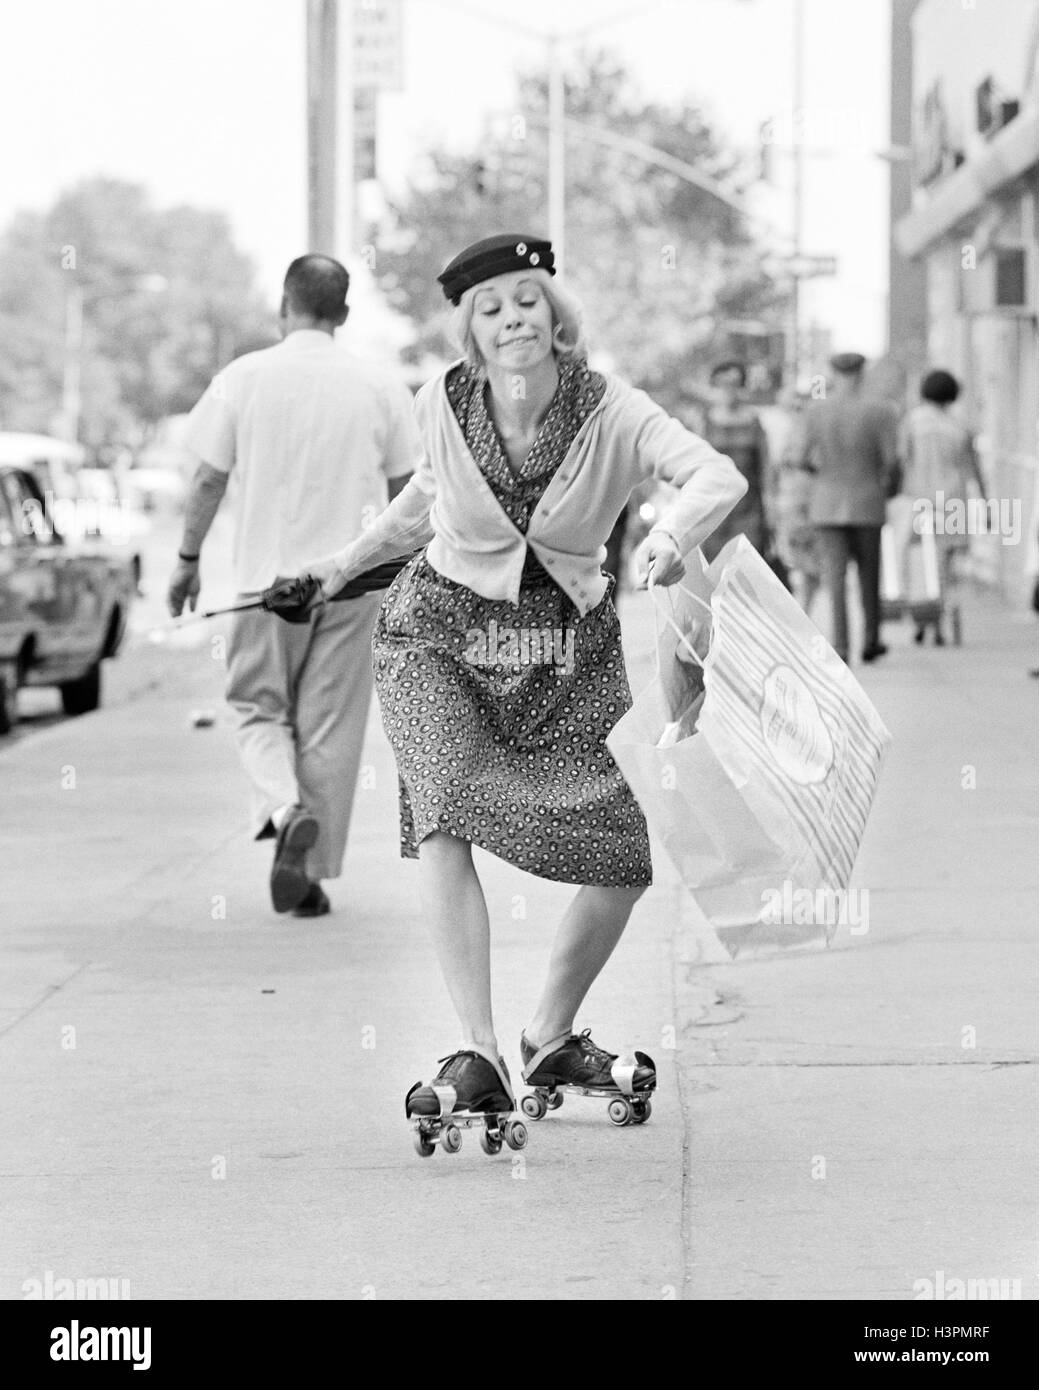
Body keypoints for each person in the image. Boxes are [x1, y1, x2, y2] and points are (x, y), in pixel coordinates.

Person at [298, 233, 747, 1140]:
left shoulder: (613, 409)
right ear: (470, 326)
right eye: (490, 308)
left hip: (562, 648)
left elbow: (715, 474)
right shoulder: (441, 401)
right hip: (438, 632)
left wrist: (664, 539)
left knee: (620, 849)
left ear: (554, 313)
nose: (510, 321)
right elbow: (422, 501)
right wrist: (338, 566)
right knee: (444, 808)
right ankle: (477, 1052)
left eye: (524, 300)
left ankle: (545, 1036)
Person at [167, 255, 420, 917]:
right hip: (352, 584)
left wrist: (188, 559)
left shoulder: (242, 377)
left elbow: (207, 480)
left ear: (286, 304)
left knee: (257, 710)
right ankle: (306, 874)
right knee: (329, 731)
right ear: (342, 312)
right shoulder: (380, 385)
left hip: (264, 586)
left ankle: (285, 812)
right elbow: (406, 494)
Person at [798, 351, 899, 664]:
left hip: (827, 504)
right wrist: (889, 489)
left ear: (833, 372)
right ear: (862, 372)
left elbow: (800, 457)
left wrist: (823, 476)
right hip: (868, 501)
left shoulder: (815, 411)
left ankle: (841, 645)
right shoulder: (881, 411)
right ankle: (871, 640)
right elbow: (892, 461)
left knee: (835, 579)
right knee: (870, 577)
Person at [895, 368, 987, 645]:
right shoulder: (960, 426)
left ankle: (924, 617)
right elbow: (974, 469)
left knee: (921, 562)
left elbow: (901, 460)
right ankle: (943, 620)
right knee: (948, 565)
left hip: (919, 501)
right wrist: (987, 504)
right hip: (952, 502)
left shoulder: (912, 422)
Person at [699, 360, 770, 564]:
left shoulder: (754, 422)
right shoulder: (705, 422)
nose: (729, 390)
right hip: (713, 508)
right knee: (714, 569)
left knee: (749, 565)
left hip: (749, 508)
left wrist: (772, 508)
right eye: (723, 384)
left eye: (735, 383)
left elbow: (766, 466)